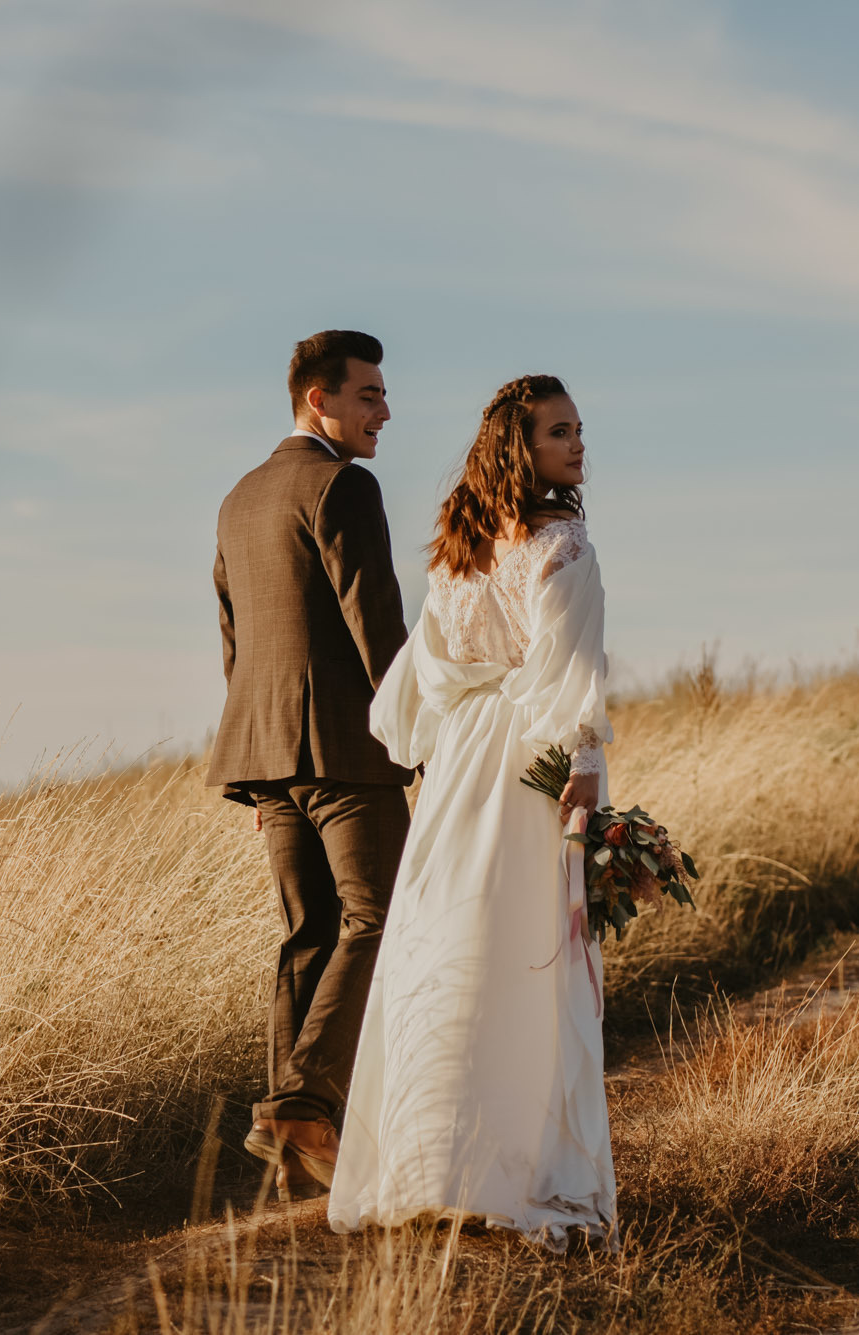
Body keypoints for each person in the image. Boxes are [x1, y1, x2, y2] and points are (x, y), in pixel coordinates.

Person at [327, 374, 616, 1251]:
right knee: (524, 954)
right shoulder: (563, 543)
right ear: (519, 448)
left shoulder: (455, 554)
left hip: (458, 763)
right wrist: (588, 765)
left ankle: (430, 1164)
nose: (576, 445)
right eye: (557, 432)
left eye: (577, 429)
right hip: (528, 763)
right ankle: (514, 1167)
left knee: (447, 944)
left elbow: (415, 691)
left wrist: (455, 737)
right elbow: (571, 673)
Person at [208, 330, 413, 1201]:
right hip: (345, 750)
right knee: (380, 914)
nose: (384, 411)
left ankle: (294, 1149)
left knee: (308, 935)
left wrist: (259, 774)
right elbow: (377, 624)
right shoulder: (343, 484)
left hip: (267, 752)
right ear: (317, 401)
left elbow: (233, 634)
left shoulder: (238, 499)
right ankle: (302, 1101)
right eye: (367, 394)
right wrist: (420, 737)